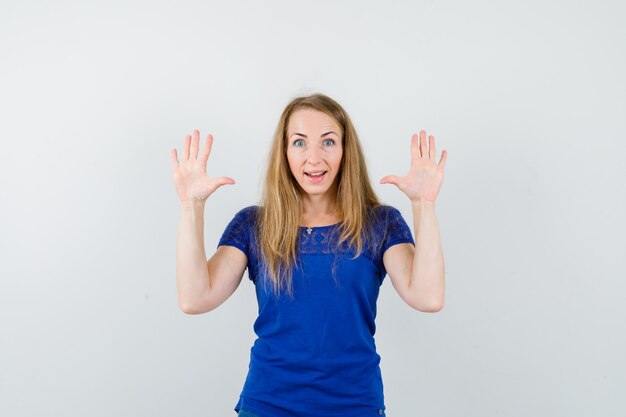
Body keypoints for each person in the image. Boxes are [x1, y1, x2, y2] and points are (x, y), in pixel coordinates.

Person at [171, 93, 447, 417]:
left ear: (345, 151)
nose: (314, 158)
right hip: (268, 405)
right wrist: (192, 207)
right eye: (300, 143)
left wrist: (424, 205)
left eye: (328, 142)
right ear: (284, 152)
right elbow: (195, 297)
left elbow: (428, 297)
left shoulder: (379, 223)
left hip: (354, 406)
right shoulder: (254, 225)